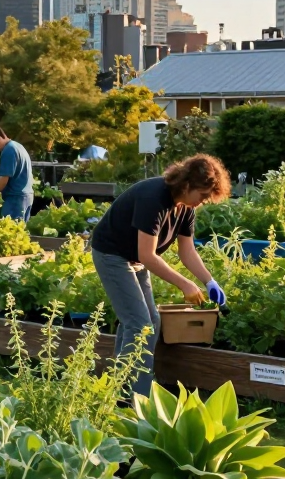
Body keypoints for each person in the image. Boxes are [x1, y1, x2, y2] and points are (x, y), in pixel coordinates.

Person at [89, 154, 232, 396]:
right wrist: (186, 285)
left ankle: (119, 387)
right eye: (203, 195)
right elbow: (148, 255)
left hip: (134, 257)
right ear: (187, 185)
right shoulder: (154, 198)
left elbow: (187, 251)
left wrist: (209, 281)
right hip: (112, 255)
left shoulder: (186, 207)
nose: (204, 201)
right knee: (139, 324)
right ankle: (138, 398)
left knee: (150, 321)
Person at [0, 126, 34, 221]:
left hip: (15, 198)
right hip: (26, 196)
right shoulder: (18, 146)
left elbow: (4, 178)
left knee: (11, 231)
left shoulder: (9, 150)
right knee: (21, 232)